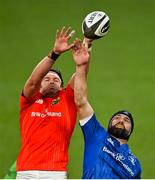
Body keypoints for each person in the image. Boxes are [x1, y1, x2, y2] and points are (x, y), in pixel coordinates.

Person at [16, 27, 91, 179]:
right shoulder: (29, 100)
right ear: (40, 85)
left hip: (55, 173)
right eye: (47, 79)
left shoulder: (67, 99)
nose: (51, 81)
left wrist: (87, 43)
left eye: (56, 80)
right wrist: (55, 53)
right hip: (25, 172)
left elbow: (81, 74)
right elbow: (33, 80)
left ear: (62, 86)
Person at [72, 39, 142, 179]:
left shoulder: (135, 164)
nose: (121, 120)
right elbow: (81, 101)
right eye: (116, 118)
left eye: (126, 120)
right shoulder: (96, 134)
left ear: (130, 130)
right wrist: (81, 66)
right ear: (109, 123)